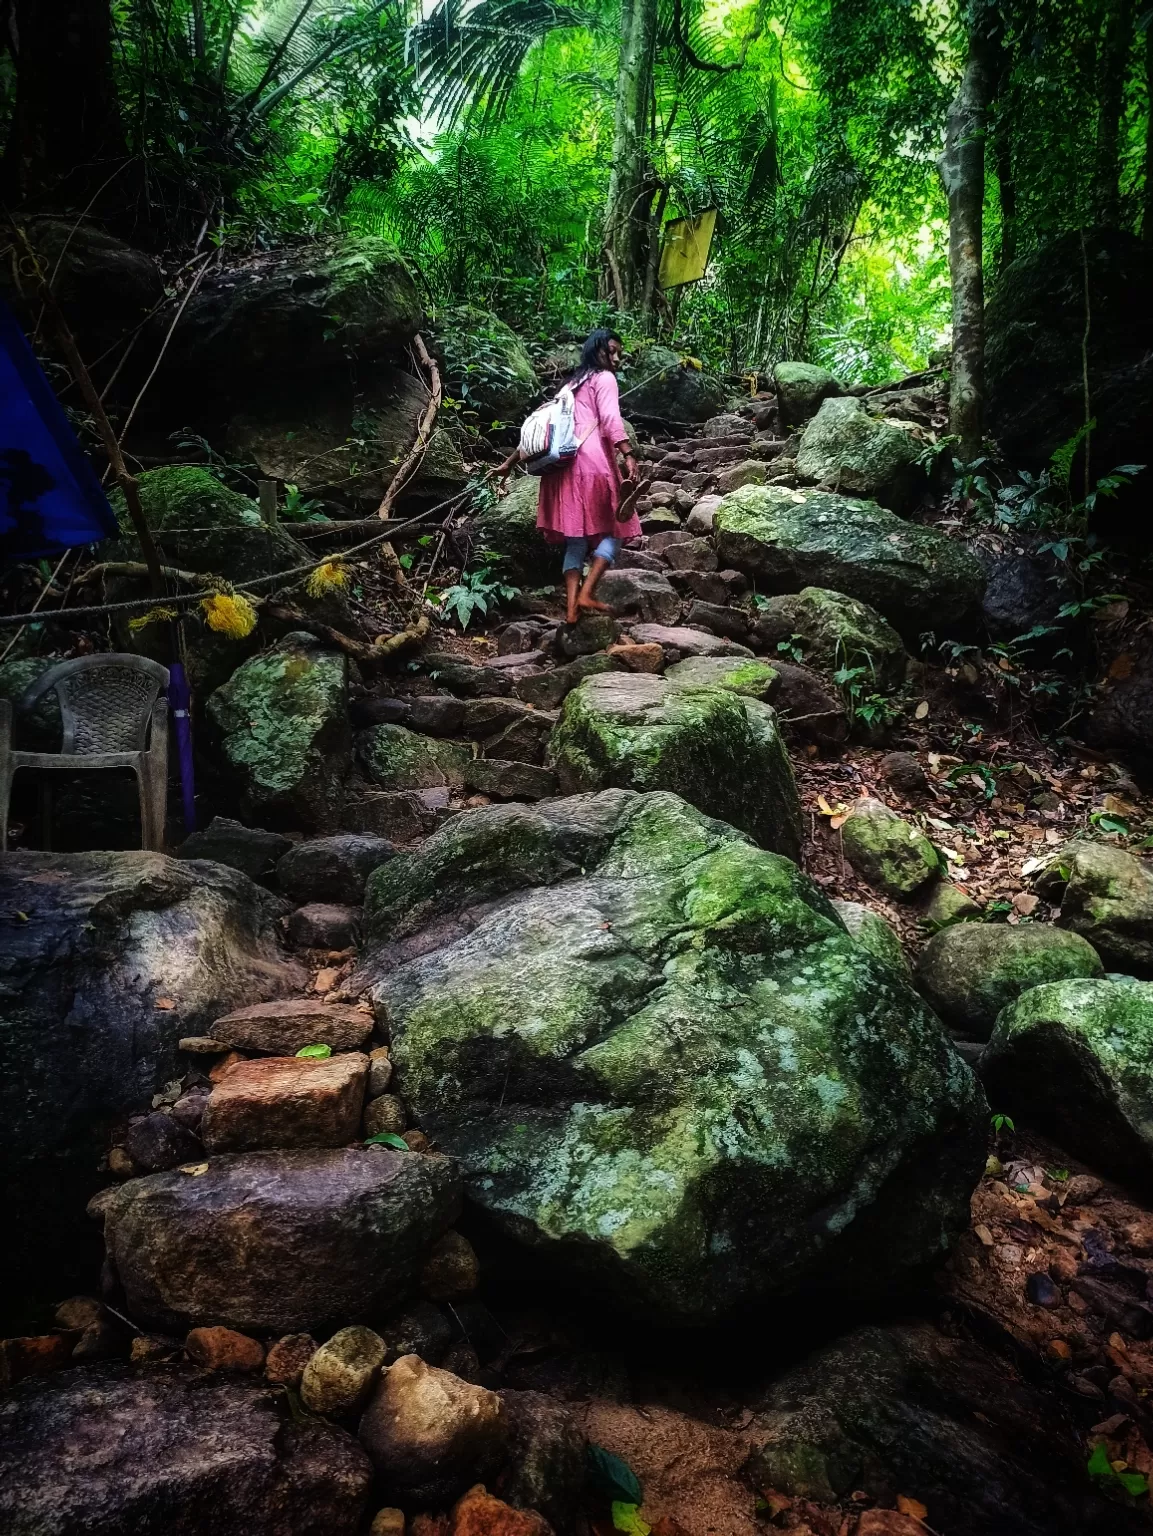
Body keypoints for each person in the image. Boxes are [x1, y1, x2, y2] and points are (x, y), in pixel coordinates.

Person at [498, 328, 641, 623]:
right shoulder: (605, 379)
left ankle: (572, 609)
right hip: (591, 465)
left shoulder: (570, 385)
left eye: (618, 354)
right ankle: (587, 593)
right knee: (617, 529)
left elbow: (540, 428)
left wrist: (509, 464)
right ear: (595, 351)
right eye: (610, 351)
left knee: (575, 540)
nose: (615, 359)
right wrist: (628, 453)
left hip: (561, 469)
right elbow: (612, 419)